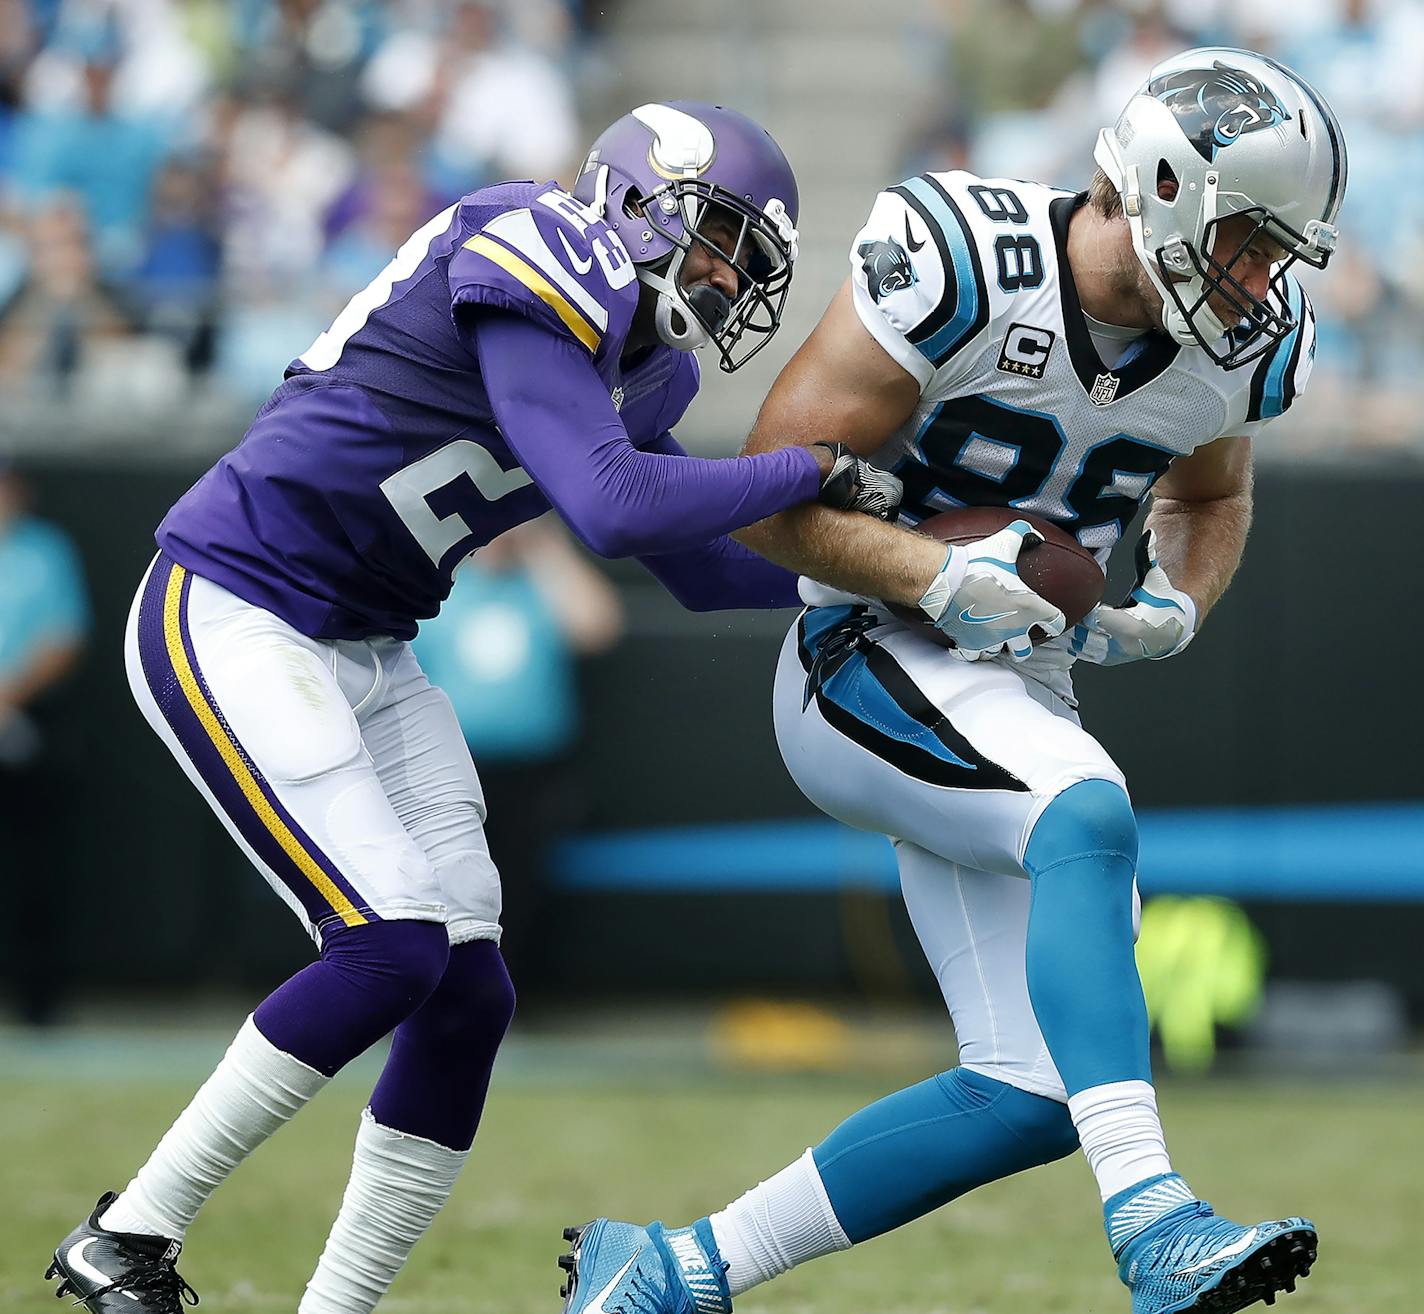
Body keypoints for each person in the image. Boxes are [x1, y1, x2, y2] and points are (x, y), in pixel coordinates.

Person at [45, 100, 899, 1314]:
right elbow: (607, 504)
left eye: (744, 265)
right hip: (235, 605)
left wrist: (899, 574)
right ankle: (127, 1235)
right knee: (389, 943)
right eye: (713, 238)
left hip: (365, 643)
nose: (720, 277)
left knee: (466, 991)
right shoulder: (526, 241)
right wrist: (806, 468)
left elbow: (696, 566)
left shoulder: (650, 370)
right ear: (632, 196)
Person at [561, 48, 1345, 1314]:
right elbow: (769, 494)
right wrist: (924, 574)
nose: (1260, 279)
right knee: (1081, 812)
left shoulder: (1236, 351)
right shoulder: (963, 259)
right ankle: (1152, 1219)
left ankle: (671, 1271)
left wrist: (1174, 609)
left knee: (1035, 1088)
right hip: (858, 652)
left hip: (1015, 690)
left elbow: (1212, 492)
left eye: (1276, 253)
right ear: (1152, 185)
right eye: (1246, 240)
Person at [0, 459, 91, 1025]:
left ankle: (37, 1004)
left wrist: (7, 700)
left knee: (33, 872)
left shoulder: (46, 550)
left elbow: (65, 636)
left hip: (31, 727)